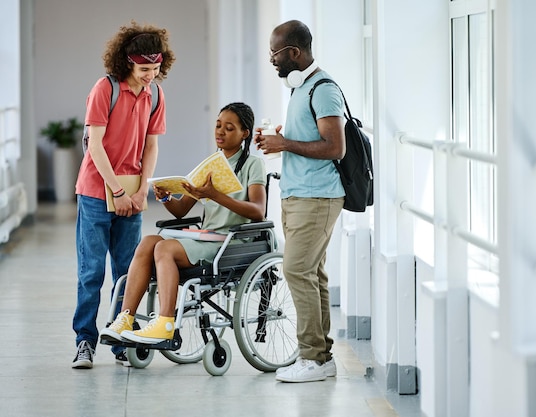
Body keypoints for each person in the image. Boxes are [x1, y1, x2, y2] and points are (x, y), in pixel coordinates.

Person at [99, 102, 266, 347]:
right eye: (218, 125)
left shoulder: (253, 165)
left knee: (164, 249)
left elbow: (258, 212)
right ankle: (125, 318)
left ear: (245, 134)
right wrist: (166, 196)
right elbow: (180, 211)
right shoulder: (212, 164)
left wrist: (215, 195)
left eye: (229, 128)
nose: (220, 131)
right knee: (148, 242)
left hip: (232, 243)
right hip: (207, 238)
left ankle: (166, 323)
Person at [72, 21, 175, 369]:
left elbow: (151, 145)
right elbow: (94, 146)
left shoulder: (156, 95)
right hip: (96, 191)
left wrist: (142, 188)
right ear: (127, 62)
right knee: (91, 273)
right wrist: (117, 190)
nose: (151, 75)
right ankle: (85, 342)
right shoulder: (106, 89)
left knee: (127, 273)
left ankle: (120, 341)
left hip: (132, 192)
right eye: (145, 69)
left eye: (156, 68)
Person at [255, 20, 346, 383]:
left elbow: (335, 147)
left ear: (293, 52)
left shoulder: (323, 89)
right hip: (298, 195)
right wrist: (284, 135)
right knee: (313, 274)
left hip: (317, 197)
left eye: (275, 54)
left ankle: (313, 358)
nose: (272, 61)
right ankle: (321, 357)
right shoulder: (301, 89)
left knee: (295, 270)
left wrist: (285, 144)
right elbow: (312, 137)